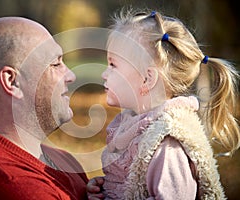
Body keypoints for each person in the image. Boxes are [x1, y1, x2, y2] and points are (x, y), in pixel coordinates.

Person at [87, 8, 240, 200]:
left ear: (146, 79)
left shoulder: (167, 144)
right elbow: (133, 186)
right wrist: (105, 189)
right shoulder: (134, 127)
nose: (104, 73)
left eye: (112, 64)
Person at [0, 17, 89, 200]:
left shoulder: (64, 161)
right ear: (12, 81)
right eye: (55, 64)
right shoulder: (14, 186)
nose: (70, 75)